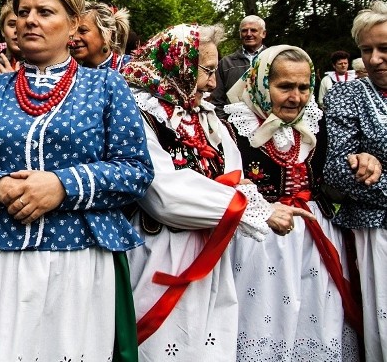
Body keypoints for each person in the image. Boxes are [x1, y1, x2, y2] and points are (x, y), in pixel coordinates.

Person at [0, 0, 153, 362]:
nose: (30, 21)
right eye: (23, 13)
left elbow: (136, 171)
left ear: (73, 25)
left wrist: (62, 186)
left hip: (77, 262)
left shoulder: (106, 86)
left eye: (44, 12)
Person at [120, 24, 312, 361]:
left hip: (211, 246)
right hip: (161, 250)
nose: (213, 82)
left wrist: (247, 199)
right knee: (161, 343)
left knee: (208, 340)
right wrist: (256, 209)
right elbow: (165, 195)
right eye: (207, 70)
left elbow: (235, 175)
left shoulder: (204, 116)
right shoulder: (139, 115)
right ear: (177, 63)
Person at [226, 45, 360, 361]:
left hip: (315, 237)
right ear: (260, 83)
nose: (296, 97)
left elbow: (335, 174)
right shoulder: (234, 127)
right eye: (284, 86)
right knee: (265, 317)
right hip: (260, 239)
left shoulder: (316, 124)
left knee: (317, 316)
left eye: (303, 87)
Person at [324, 0, 387, 362]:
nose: (374, 58)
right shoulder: (348, 94)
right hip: (375, 230)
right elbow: (335, 170)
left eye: (383, 48)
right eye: (367, 50)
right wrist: (360, 166)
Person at [211, 15, 267, 111]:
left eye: (253, 30)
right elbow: (217, 100)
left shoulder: (275, 60)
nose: (248, 34)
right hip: (233, 123)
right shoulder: (226, 63)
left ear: (263, 34)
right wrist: (226, 124)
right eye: (244, 30)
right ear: (240, 34)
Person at [71, 0, 132, 70]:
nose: (74, 38)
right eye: (73, 32)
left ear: (106, 34)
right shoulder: (69, 73)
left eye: (83, 31)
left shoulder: (131, 67)